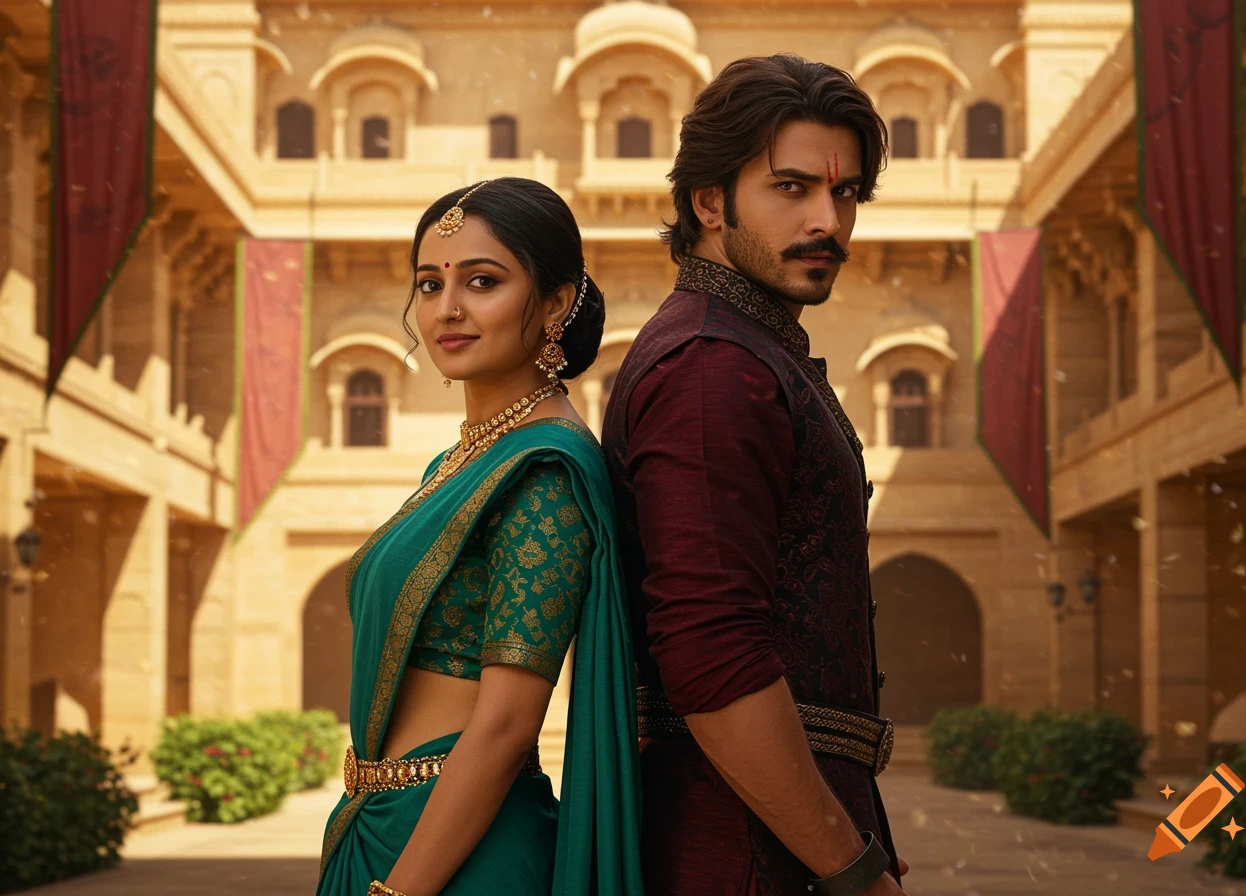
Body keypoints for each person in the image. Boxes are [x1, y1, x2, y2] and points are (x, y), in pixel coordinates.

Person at [601, 55, 910, 896]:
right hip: (741, 852)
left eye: (844, 194)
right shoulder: (712, 365)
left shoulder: (749, 348)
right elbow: (713, 652)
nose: (829, 221)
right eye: (791, 188)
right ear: (709, 201)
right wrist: (853, 872)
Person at [319, 177, 643, 896]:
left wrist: (399, 892)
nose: (447, 309)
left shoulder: (543, 472)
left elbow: (502, 727)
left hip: (458, 855)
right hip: (386, 824)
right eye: (429, 284)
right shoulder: (461, 460)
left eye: (483, 281)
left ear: (556, 303)